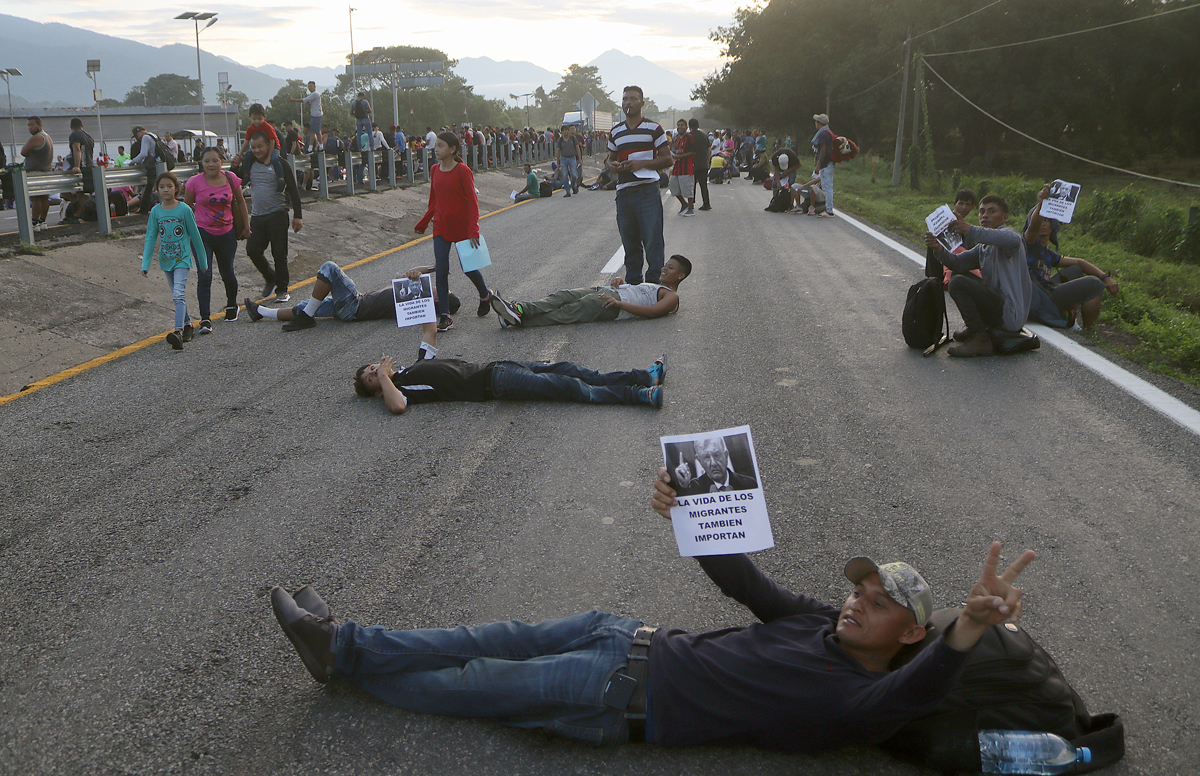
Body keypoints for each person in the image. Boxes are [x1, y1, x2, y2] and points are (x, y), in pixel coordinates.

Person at [270, 471, 1036, 751]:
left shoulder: (866, 700)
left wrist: (966, 626)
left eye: (875, 607)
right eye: (858, 591)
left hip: (614, 697)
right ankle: (345, 642)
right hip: (622, 634)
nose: (854, 605)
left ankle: (341, 660)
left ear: (908, 634)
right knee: (479, 637)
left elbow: (923, 686)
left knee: (470, 682)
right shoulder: (816, 624)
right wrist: (689, 520)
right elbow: (750, 588)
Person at [243, 261, 449, 360]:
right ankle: (261, 312)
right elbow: (404, 275)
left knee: (330, 269)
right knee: (306, 305)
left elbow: (426, 320)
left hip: (355, 305)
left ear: (438, 298)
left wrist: (440, 312)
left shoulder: (417, 304)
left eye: (440, 289)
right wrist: (430, 268)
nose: (435, 285)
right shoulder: (412, 295)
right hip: (350, 309)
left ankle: (306, 317)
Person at [351, 353, 666, 414]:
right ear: (376, 388)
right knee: (569, 387)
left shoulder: (408, 370)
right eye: (371, 375)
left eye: (372, 366)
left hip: (499, 366)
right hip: (494, 382)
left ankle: (644, 375)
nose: (376, 368)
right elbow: (395, 407)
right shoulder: (401, 391)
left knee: (572, 369)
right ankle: (640, 396)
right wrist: (382, 377)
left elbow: (429, 329)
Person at [923, 195, 1033, 358]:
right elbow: (957, 263)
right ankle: (977, 327)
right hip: (997, 307)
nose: (985, 215)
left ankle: (981, 338)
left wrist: (971, 230)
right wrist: (938, 248)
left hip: (1009, 313)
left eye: (991, 211)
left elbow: (1012, 239)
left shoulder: (1009, 236)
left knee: (959, 283)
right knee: (959, 274)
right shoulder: (983, 247)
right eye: (981, 211)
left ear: (1004, 217)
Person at [414, 131, 493, 332]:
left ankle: (485, 295)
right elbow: (434, 200)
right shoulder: (434, 170)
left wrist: (473, 229)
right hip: (441, 225)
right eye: (436, 146)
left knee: (468, 267)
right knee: (441, 268)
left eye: (440, 146)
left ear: (452, 149)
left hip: (461, 226)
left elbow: (473, 203)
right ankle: (445, 315)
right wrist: (424, 222)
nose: (436, 149)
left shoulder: (462, 171)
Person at [490, 255, 690, 329]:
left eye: (670, 268)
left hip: (613, 304)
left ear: (680, 276)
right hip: (610, 292)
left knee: (568, 312)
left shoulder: (672, 296)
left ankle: (517, 319)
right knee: (562, 295)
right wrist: (622, 283)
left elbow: (653, 312)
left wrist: (619, 303)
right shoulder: (656, 285)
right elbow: (639, 295)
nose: (664, 269)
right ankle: (518, 309)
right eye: (665, 265)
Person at [1023, 185, 1118, 329]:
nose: (1043, 223)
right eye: (1040, 219)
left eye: (1047, 220)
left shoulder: (1047, 253)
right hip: (1040, 297)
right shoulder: (1029, 244)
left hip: (1046, 290)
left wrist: (1106, 277)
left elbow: (1080, 262)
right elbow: (1033, 227)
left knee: (1075, 269)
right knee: (1094, 284)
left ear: (1053, 225)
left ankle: (1067, 309)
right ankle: (1089, 332)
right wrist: (1042, 205)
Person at [607, 86, 673, 285]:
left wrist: (641, 164)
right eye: (625, 99)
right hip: (624, 194)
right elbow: (608, 160)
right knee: (630, 244)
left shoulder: (654, 129)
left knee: (653, 243)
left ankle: (653, 286)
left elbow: (667, 159)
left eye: (633, 99)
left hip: (647, 192)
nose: (629, 102)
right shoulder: (616, 131)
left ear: (642, 103)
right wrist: (613, 166)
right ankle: (634, 286)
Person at [140, 172, 208, 350]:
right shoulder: (156, 211)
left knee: (179, 294)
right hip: (166, 260)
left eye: (169, 186)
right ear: (157, 190)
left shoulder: (184, 209)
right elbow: (150, 237)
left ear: (176, 188)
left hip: (182, 259)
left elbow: (195, 236)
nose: (165, 190)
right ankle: (187, 326)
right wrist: (145, 264)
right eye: (161, 187)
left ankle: (177, 331)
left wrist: (203, 262)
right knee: (176, 296)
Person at [185, 146, 248, 327]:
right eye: (206, 161)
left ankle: (231, 305)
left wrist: (246, 226)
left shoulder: (231, 179)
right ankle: (205, 318)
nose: (210, 164)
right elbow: (186, 208)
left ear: (222, 161)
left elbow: (241, 203)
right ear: (201, 163)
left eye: (214, 160)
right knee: (204, 275)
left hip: (226, 233)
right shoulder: (194, 182)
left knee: (227, 272)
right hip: (201, 234)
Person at [243, 131, 303, 303]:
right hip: (257, 217)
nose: (256, 150)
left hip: (277, 215)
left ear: (269, 145)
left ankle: (282, 290)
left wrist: (298, 216)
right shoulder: (250, 164)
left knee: (279, 254)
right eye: (253, 147)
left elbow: (293, 190)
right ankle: (270, 277)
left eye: (260, 146)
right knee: (252, 250)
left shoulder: (280, 164)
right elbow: (236, 177)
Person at [671, 436, 758, 496]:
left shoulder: (749, 484)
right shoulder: (693, 488)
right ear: (699, 461)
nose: (713, 463)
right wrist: (684, 485)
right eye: (706, 457)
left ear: (726, 455)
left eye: (716, 455)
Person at [21, 116, 54, 231]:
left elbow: (23, 152)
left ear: (39, 125)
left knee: (36, 198)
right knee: (44, 197)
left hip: (35, 172)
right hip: (46, 171)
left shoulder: (36, 138)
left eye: (32, 125)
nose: (30, 128)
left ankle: (34, 223)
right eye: (28, 125)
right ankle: (42, 221)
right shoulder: (48, 137)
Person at [128, 126, 164, 215]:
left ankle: (144, 209)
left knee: (148, 188)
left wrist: (133, 161)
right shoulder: (154, 136)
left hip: (151, 166)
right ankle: (160, 206)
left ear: (141, 132)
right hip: (159, 165)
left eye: (137, 135)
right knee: (158, 186)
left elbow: (143, 153)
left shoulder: (146, 137)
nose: (137, 138)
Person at [232, 104, 280, 171]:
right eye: (254, 119)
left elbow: (272, 141)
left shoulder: (267, 127)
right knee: (247, 156)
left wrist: (269, 157)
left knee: (274, 159)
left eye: (259, 119)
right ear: (250, 117)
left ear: (264, 117)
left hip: (273, 147)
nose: (257, 121)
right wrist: (239, 154)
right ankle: (246, 174)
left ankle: (280, 177)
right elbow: (246, 142)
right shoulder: (250, 129)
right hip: (259, 147)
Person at [668, 119, 696, 217]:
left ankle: (691, 208)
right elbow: (676, 152)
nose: (680, 127)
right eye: (678, 125)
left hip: (686, 167)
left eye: (682, 125)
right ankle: (684, 204)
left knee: (687, 189)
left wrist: (679, 157)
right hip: (677, 167)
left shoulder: (689, 137)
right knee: (673, 186)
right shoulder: (676, 139)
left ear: (686, 127)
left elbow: (693, 152)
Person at [810, 114, 836, 218]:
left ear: (819, 123)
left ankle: (829, 210)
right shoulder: (828, 132)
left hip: (826, 164)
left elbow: (823, 151)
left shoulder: (823, 134)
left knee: (827, 187)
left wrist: (819, 165)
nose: (815, 124)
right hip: (829, 163)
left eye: (816, 122)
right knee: (827, 186)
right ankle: (828, 208)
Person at [288, 81, 323, 147]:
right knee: (317, 131)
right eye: (308, 86)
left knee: (313, 131)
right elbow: (309, 102)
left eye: (311, 86)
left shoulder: (315, 94)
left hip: (317, 115)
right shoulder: (313, 94)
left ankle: (311, 146)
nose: (309, 88)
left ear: (314, 87)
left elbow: (304, 100)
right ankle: (320, 145)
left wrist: (293, 100)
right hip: (315, 114)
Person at [689, 119, 711, 211]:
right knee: (703, 185)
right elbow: (709, 149)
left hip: (693, 163)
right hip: (703, 163)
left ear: (689, 126)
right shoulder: (704, 135)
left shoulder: (689, 136)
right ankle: (706, 203)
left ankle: (691, 203)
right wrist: (708, 161)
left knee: (691, 184)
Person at [557, 125, 582, 197]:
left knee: (574, 175)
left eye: (566, 130)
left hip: (572, 158)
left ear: (568, 131)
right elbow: (558, 151)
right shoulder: (560, 140)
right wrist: (558, 162)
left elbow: (577, 149)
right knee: (564, 176)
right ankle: (568, 191)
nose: (565, 132)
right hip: (563, 159)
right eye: (563, 130)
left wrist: (580, 159)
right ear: (561, 132)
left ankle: (573, 185)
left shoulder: (573, 138)